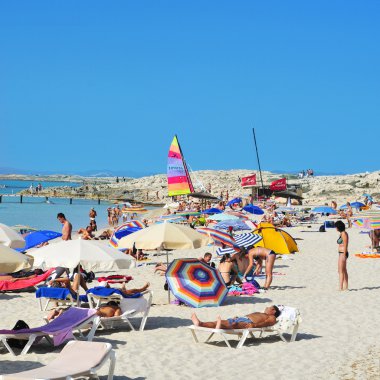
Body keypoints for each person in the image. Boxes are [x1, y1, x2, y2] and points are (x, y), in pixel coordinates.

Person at [191, 305, 281, 330]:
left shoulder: (272, 317)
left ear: (274, 311)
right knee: (221, 321)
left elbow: (266, 323)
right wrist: (238, 317)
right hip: (242, 318)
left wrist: (255, 325)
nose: (268, 307)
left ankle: (221, 326)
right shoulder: (261, 313)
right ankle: (201, 323)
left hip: (249, 323)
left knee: (233, 325)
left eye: (270, 307)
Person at [335, 220, 349, 291]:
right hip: (341, 253)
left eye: (336, 227)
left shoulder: (344, 234)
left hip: (343, 253)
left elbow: (346, 244)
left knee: (340, 271)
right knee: (343, 270)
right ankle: (345, 286)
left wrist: (344, 254)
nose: (335, 228)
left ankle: (341, 287)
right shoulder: (341, 233)